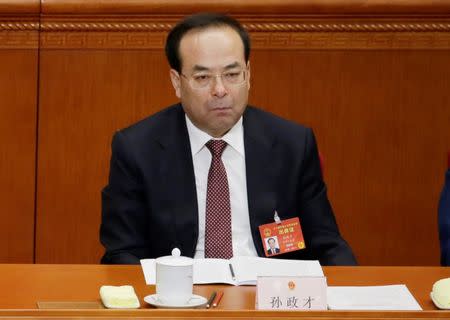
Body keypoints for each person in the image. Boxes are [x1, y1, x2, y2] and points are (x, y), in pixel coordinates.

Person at [100, 13, 357, 266]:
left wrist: (354, 296)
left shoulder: (292, 144)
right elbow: (122, 253)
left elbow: (327, 243)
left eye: (232, 74)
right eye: (203, 78)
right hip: (179, 298)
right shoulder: (137, 148)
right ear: (177, 82)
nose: (220, 90)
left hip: (268, 294)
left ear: (248, 74)